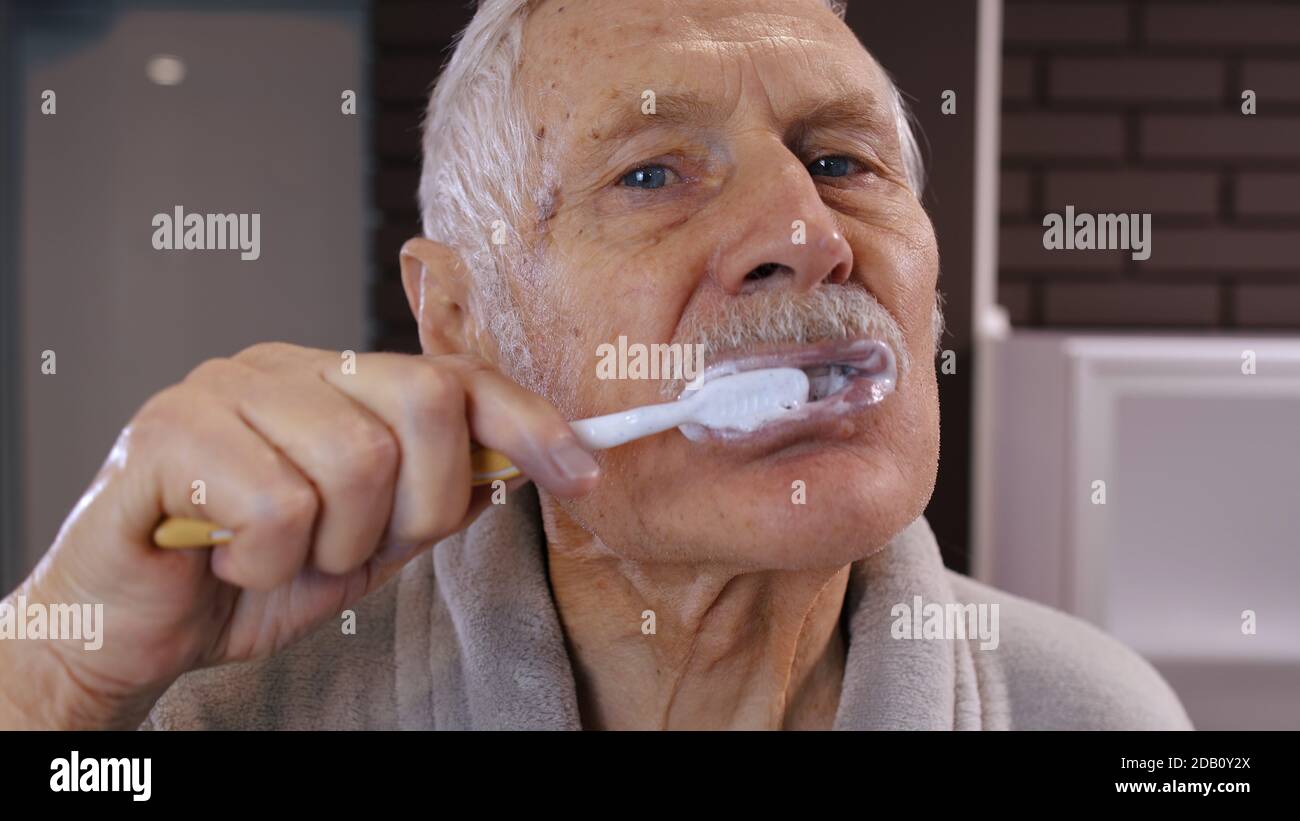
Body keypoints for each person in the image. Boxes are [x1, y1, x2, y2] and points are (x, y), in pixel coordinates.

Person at [0, 0, 1191, 730]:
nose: (807, 234)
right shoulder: (206, 716)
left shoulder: (1095, 716)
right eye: (652, 173)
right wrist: (46, 676)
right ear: (461, 319)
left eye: (840, 160)